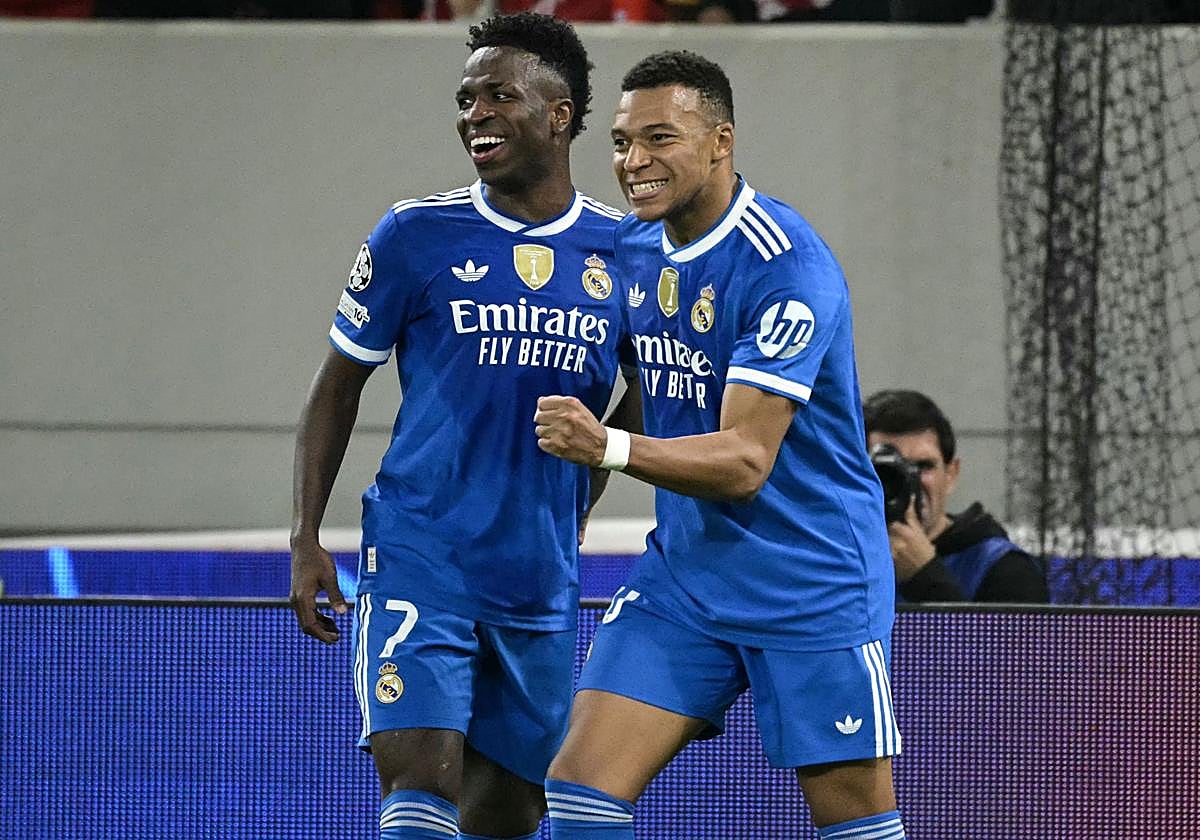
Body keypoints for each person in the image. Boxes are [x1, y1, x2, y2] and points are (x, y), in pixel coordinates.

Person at [533, 51, 907, 840]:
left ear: (721, 141)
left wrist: (605, 448)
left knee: (857, 829)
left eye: (659, 139)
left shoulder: (787, 267)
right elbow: (645, 388)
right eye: (622, 141)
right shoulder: (635, 249)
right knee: (577, 795)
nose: (633, 162)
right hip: (686, 581)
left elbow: (743, 462)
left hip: (810, 584)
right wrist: (571, 514)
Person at [288, 13, 628, 840]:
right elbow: (337, 387)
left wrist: (585, 488)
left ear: (559, 113)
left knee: (507, 814)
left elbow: (652, 394)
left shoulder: (627, 251)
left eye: (498, 94)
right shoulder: (415, 234)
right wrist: (305, 536)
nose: (473, 112)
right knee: (421, 781)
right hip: (421, 555)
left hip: (538, 577)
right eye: (465, 97)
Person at [863, 389, 1049, 602]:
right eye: (887, 470)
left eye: (923, 466)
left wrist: (925, 577)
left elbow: (1011, 637)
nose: (907, 480)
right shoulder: (836, 557)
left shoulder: (1002, 568)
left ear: (951, 474)